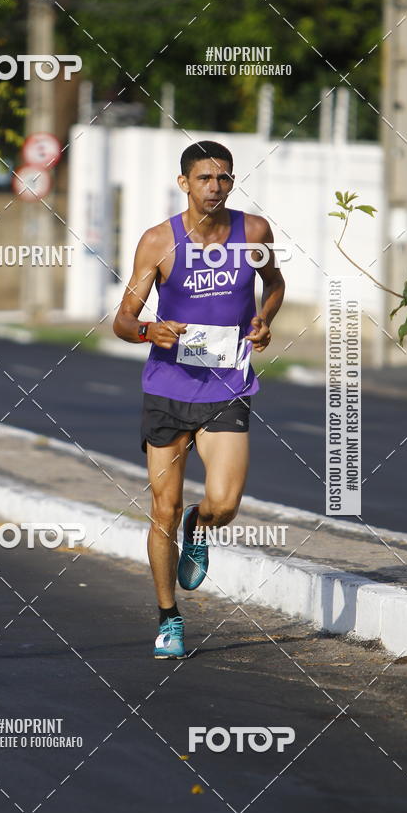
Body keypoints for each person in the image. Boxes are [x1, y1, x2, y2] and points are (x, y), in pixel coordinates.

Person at [113, 140, 285, 659]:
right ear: (184, 182)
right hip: (167, 388)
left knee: (226, 503)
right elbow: (123, 319)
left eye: (225, 178)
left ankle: (200, 523)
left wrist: (264, 320)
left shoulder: (253, 232)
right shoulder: (157, 243)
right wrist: (149, 332)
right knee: (162, 507)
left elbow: (274, 283)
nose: (215, 187)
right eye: (205, 179)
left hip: (228, 383)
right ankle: (169, 617)